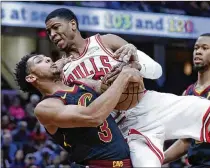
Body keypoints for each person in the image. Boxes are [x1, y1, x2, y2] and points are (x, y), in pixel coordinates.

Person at [45, 8, 210, 167]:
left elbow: (156, 70)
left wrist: (137, 64)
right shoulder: (62, 72)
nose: (52, 34)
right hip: (125, 129)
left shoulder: (106, 41)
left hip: (150, 104)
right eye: (48, 32)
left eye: (55, 27)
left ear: (72, 24)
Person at [14, 54, 145, 167]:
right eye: (39, 61)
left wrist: (131, 67)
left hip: (128, 162)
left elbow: (114, 88)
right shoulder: (45, 107)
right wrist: (124, 76)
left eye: (46, 58)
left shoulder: (82, 84)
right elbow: (93, 117)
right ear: (31, 78)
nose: (48, 58)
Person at [164, 33, 210, 167]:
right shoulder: (187, 93)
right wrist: (156, 159)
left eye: (205, 48)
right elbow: (185, 142)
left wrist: (198, 125)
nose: (198, 52)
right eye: (196, 48)